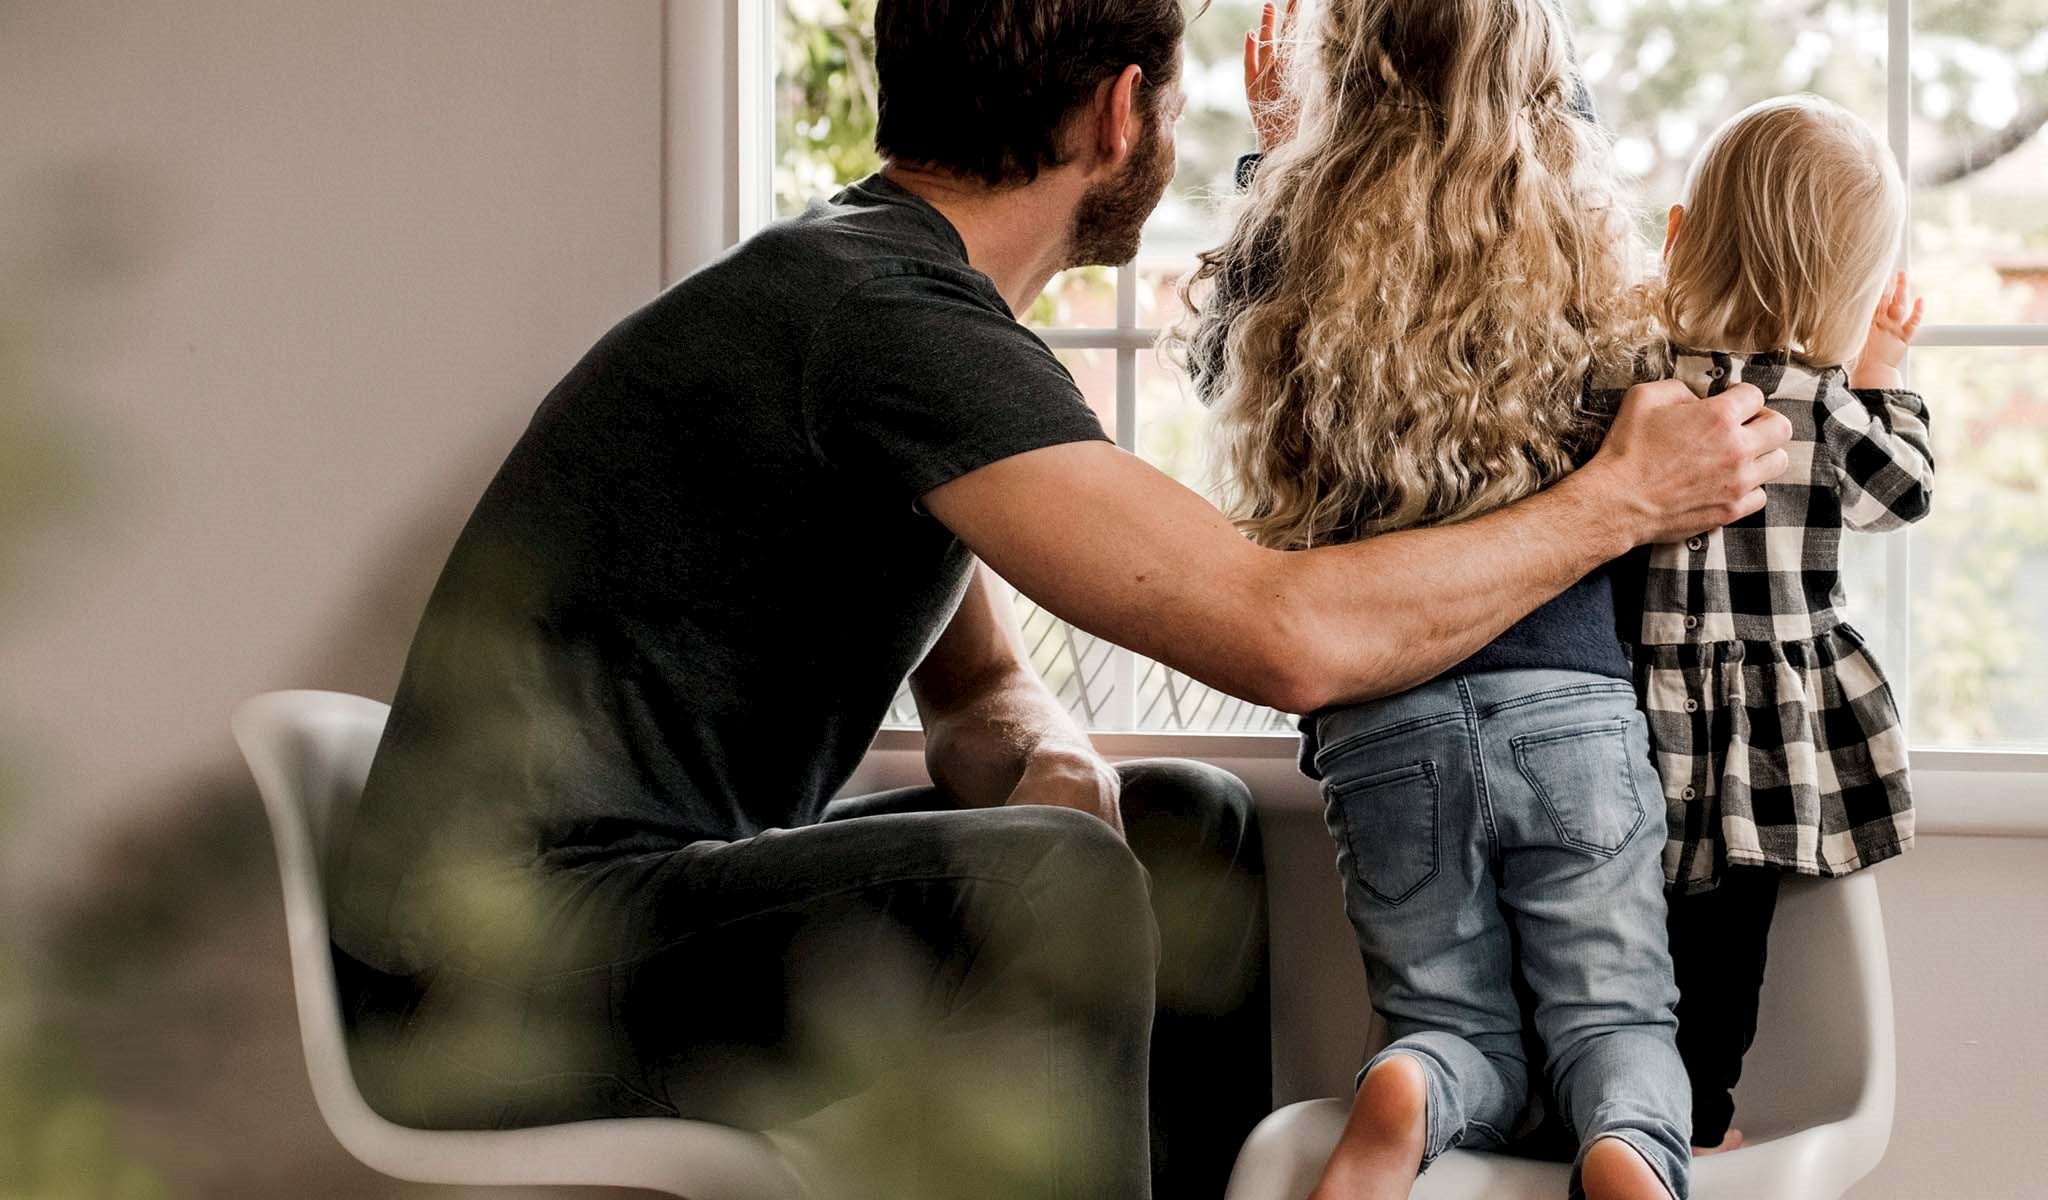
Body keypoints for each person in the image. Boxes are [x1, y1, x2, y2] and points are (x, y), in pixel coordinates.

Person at [323, 1, 1792, 1197]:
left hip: (606, 919)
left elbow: (974, 691)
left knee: (1180, 831)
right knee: (1055, 878)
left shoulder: (872, 306)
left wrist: (1054, 764)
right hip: (480, 982)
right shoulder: (887, 324)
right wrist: (1619, 500)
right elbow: (1288, 638)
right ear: (1117, 117)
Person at [1187, 2, 1693, 1197]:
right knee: (1613, 1024)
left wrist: (1274, 153)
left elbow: (1219, 361)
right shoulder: (1578, 231)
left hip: (1380, 722)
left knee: (1454, 1024)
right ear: (1539, 71)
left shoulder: (1299, 228)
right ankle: (1623, 1151)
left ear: (1343, 68)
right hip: (1567, 706)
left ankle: (1413, 1080)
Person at [1627, 94, 1933, 1157]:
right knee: (1723, 943)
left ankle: (1598, 1109)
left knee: (1614, 939)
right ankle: (1695, 1121)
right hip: (1767, 730)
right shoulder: (1820, 402)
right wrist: (1882, 375)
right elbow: (1900, 495)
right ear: (1846, 293)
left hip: (1635, 710)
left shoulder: (1633, 383)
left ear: (1676, 236)